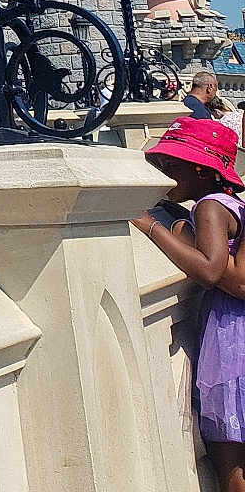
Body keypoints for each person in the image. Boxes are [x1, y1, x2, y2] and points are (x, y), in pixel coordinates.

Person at [133, 117, 245, 487]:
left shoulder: (209, 207)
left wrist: (153, 227)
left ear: (201, 168)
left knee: (230, 456)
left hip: (231, 337)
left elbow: (211, 271)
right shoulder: (233, 205)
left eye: (172, 164)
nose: (165, 172)